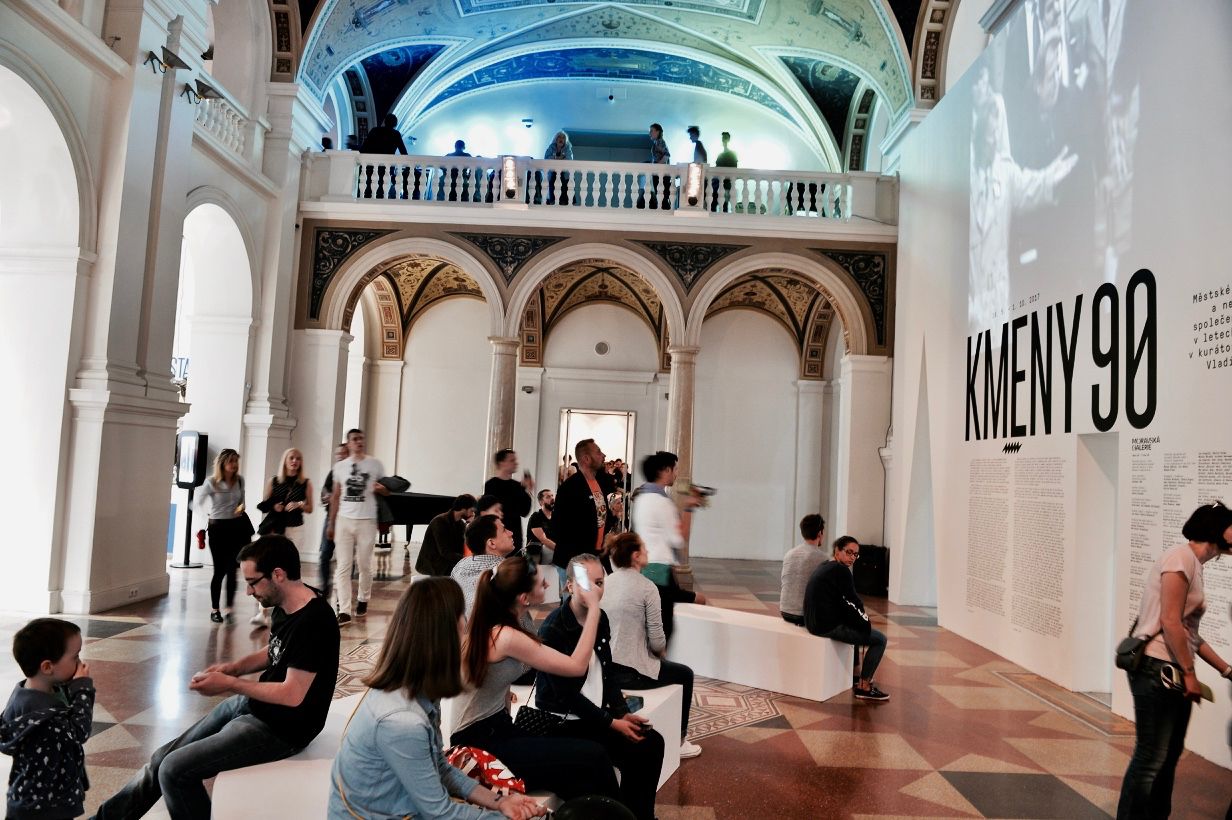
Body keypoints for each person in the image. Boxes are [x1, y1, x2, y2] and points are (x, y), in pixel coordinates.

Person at [94, 536, 340, 820]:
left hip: (284, 729)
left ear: (278, 575)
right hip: (258, 707)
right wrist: (233, 668)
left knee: (174, 770)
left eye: (253, 582)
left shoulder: (313, 621)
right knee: (161, 758)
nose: (248, 591)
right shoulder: (286, 604)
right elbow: (276, 651)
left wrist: (230, 684)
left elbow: (292, 694)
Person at [328, 577, 545, 820]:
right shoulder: (403, 721)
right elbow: (440, 813)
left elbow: (439, 766)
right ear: (446, 634)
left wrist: (500, 802)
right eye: (462, 614)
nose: (467, 623)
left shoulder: (417, 689)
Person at [452, 556, 618, 803]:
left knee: (580, 774)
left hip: (496, 728)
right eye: (542, 583)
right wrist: (594, 608)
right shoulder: (507, 635)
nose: (548, 585)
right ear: (524, 598)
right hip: (480, 741)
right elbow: (576, 666)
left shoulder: (507, 622)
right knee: (595, 756)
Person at [1116, 502, 1232, 820]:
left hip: (1170, 669)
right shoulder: (1179, 558)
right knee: (1151, 757)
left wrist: (1225, 669)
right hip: (1157, 669)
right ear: (1217, 528)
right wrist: (1190, 674)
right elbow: (1170, 622)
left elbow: (1190, 634)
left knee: (1167, 755)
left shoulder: (1194, 564)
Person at [536, 555, 665, 820]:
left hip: (594, 716)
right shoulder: (554, 628)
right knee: (606, 758)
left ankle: (639, 815)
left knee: (650, 743)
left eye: (599, 582)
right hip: (564, 721)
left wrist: (622, 711)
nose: (595, 590)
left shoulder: (601, 618)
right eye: (587, 583)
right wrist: (612, 722)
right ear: (570, 585)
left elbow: (607, 672)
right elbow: (567, 696)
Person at [603, 533, 701, 760]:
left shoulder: (605, 582)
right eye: (644, 548)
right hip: (630, 672)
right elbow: (657, 640)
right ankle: (679, 741)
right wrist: (660, 652)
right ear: (635, 556)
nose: (647, 552)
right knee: (685, 674)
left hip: (605, 669)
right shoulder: (647, 588)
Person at [0, 619, 94, 820]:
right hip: (46, 808)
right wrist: (83, 688)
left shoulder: (23, 693)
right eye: (75, 656)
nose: (81, 663)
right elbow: (79, 731)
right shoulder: (45, 716)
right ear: (47, 667)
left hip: (28, 798)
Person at [630, 451, 706, 639]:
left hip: (644, 567)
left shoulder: (641, 498)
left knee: (649, 624)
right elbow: (679, 539)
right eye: (675, 469)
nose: (676, 474)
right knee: (663, 628)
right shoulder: (662, 502)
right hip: (659, 570)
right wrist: (689, 507)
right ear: (665, 470)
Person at [803, 536, 889, 701]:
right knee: (880, 640)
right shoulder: (841, 571)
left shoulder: (826, 565)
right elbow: (854, 602)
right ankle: (864, 686)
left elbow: (843, 602)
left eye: (855, 554)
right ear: (837, 551)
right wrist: (865, 623)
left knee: (855, 625)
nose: (852, 557)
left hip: (813, 622)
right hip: (825, 626)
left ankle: (853, 676)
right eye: (849, 552)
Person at [326, 428, 389, 625]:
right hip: (344, 520)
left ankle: (363, 598)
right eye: (355, 439)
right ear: (349, 443)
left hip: (367, 520)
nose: (359, 442)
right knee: (343, 566)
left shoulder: (375, 464)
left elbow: (387, 491)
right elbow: (336, 495)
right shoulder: (340, 467)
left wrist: (382, 489)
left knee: (364, 564)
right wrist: (331, 523)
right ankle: (344, 610)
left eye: (361, 438)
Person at [254, 447, 315, 625]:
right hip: (276, 529)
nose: (295, 461)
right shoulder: (274, 481)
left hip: (296, 528)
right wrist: (275, 506)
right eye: (291, 458)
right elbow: (265, 505)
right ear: (285, 461)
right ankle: (263, 611)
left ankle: (291, 607)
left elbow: (310, 508)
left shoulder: (305, 483)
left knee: (291, 569)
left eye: (298, 458)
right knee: (270, 567)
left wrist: (299, 504)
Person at [195, 448, 249, 624]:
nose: (234, 464)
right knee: (219, 570)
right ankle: (215, 609)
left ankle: (230, 609)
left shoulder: (240, 480)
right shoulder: (211, 482)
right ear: (222, 463)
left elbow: (242, 502)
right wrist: (207, 516)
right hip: (217, 528)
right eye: (231, 461)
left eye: (236, 461)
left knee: (233, 569)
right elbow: (196, 503)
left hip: (236, 527)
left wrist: (241, 508)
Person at [552, 439, 618, 571]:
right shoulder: (569, 488)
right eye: (598, 452)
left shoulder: (601, 483)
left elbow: (601, 519)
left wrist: (613, 514)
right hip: (575, 560)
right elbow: (558, 528)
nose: (603, 455)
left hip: (596, 556)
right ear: (587, 459)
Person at [451, 514, 516, 618]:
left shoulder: (459, 567)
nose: (511, 533)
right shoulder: (507, 574)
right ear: (491, 543)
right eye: (504, 530)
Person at [779, 514, 827, 626]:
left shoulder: (789, 554)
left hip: (785, 610)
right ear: (820, 533)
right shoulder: (823, 558)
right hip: (806, 615)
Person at [485, 449, 535, 553]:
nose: (516, 463)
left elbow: (524, 511)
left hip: (514, 536)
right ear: (501, 463)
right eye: (512, 460)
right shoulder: (491, 485)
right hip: (496, 535)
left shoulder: (518, 486)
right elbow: (489, 512)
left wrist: (527, 490)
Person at [416, 493, 477, 576]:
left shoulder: (460, 524)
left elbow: (463, 545)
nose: (473, 514)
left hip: (446, 561)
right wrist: (466, 559)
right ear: (463, 509)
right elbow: (444, 552)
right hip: (433, 564)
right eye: (472, 511)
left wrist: (471, 525)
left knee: (472, 570)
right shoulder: (439, 522)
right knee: (467, 572)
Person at [318, 441, 349, 598]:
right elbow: (324, 493)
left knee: (345, 558)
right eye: (338, 454)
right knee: (324, 554)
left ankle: (344, 590)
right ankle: (325, 587)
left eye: (343, 453)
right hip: (331, 518)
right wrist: (326, 497)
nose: (340, 456)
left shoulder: (353, 474)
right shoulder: (333, 472)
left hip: (347, 519)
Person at [526, 488, 557, 564]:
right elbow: (544, 539)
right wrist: (560, 550)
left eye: (552, 496)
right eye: (548, 497)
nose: (552, 498)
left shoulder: (555, 517)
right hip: (536, 551)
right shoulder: (536, 517)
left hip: (551, 551)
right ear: (541, 502)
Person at [646, 123, 671, 210]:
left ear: (657, 132)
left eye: (651, 131)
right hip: (659, 173)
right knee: (661, 194)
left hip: (661, 173)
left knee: (661, 194)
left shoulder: (659, 142)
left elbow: (667, 155)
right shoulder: (657, 142)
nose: (650, 133)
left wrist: (657, 166)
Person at [712, 131, 737, 212]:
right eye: (723, 138)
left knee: (724, 206)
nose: (724, 140)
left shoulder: (732, 154)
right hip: (716, 185)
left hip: (726, 185)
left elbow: (734, 169)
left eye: (725, 138)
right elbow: (716, 168)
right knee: (713, 205)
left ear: (728, 139)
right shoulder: (720, 155)